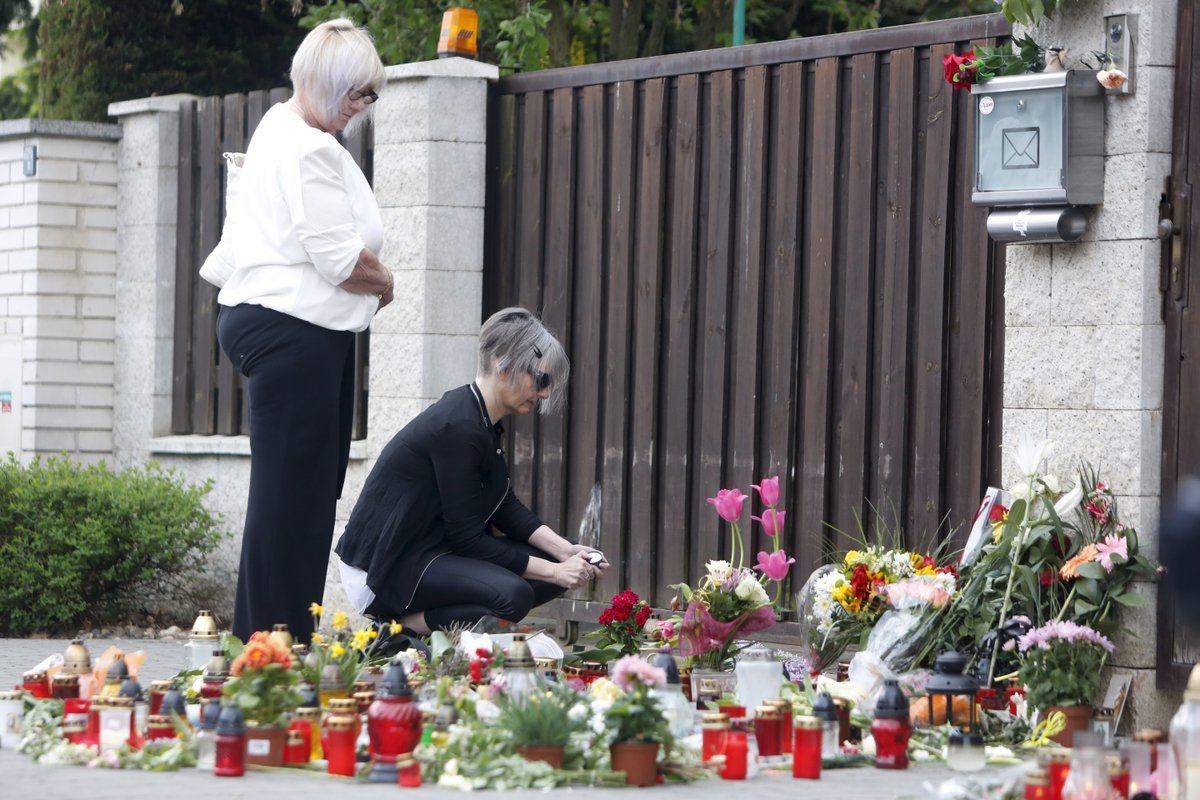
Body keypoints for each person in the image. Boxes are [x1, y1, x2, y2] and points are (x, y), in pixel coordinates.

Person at [199, 19, 392, 642]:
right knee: (292, 505)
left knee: (300, 499)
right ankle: (270, 648)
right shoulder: (308, 146)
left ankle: (275, 644)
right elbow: (341, 260)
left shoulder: (282, 126)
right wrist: (386, 283)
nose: (364, 107)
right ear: (332, 87)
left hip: (290, 331)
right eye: (360, 94)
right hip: (292, 333)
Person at [335, 307, 607, 634]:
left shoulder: (478, 419)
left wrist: (566, 551)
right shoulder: (458, 427)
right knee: (516, 593)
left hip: (429, 551)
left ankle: (439, 629)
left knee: (557, 566)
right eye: (541, 379)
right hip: (385, 568)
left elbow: (503, 505)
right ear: (504, 365)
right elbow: (468, 539)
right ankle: (402, 629)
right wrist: (552, 571)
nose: (545, 392)